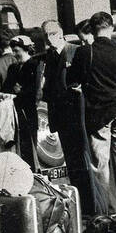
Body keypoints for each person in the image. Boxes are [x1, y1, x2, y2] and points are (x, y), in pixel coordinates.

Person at [67, 10, 116, 219]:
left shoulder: (85, 52)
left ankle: (105, 214)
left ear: (92, 29)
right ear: (112, 28)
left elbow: (71, 80)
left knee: (100, 167)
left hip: (98, 115)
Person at [41, 18, 90, 199]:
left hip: (76, 117)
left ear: (61, 33)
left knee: (81, 159)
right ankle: (78, 199)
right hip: (61, 118)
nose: (49, 38)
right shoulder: (49, 57)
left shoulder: (75, 52)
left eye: (52, 34)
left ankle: (86, 199)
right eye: (46, 35)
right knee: (69, 162)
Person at [8, 34, 44, 168]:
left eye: (17, 51)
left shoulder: (35, 66)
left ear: (26, 49)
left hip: (29, 113)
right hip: (15, 113)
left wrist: (19, 91)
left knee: (30, 148)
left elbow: (36, 91)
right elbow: (7, 87)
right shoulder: (13, 68)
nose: (14, 54)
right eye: (13, 51)